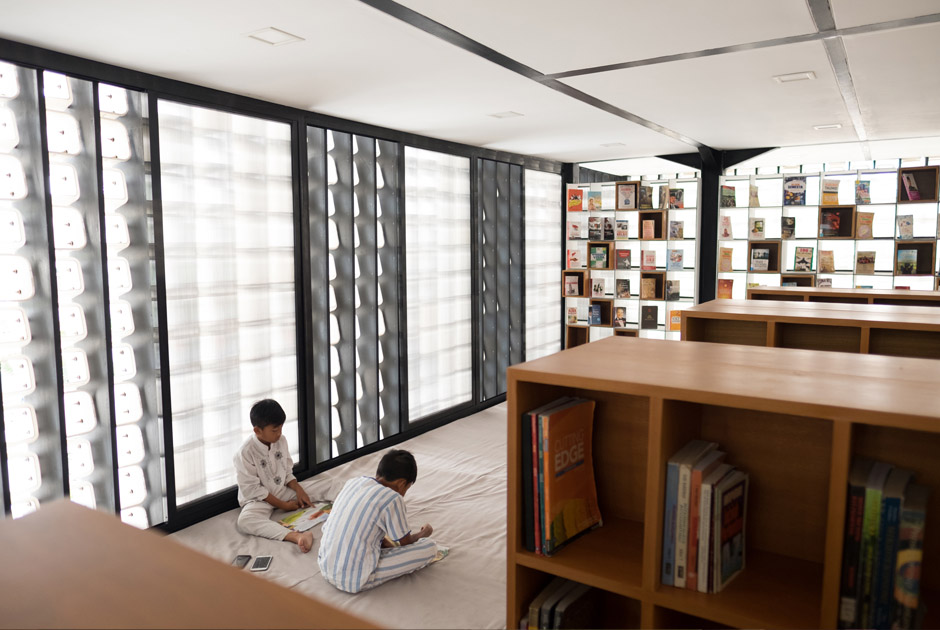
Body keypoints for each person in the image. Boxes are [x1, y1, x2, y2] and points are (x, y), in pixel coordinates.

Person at [318, 449, 437, 593]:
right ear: (401, 483)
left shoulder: (353, 482)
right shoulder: (393, 498)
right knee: (429, 547)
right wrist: (423, 533)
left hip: (325, 565)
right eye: (407, 488)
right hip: (353, 578)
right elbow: (404, 543)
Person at [233, 399, 314, 552]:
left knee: (327, 484)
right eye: (275, 430)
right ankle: (297, 537)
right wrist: (283, 506)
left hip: (283, 490)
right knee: (245, 521)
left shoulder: (281, 440)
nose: (279, 434)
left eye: (281, 428)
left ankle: (352, 499)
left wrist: (298, 490)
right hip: (259, 501)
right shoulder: (245, 453)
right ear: (257, 430)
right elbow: (253, 490)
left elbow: (287, 471)